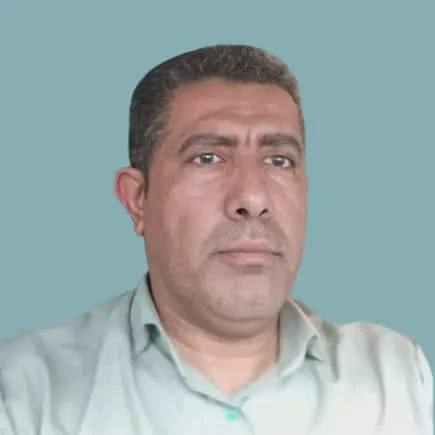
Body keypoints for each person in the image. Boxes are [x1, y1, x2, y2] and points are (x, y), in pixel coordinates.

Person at [0, 45, 432, 435]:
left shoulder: (394, 377)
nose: (253, 199)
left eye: (279, 160)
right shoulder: (26, 393)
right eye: (208, 158)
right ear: (137, 199)